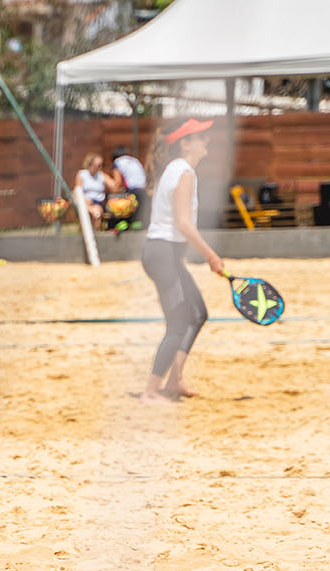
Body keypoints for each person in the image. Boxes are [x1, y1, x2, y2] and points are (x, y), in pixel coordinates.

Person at [139, 118, 224, 405]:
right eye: (200, 136)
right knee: (177, 323)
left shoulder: (177, 169)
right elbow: (183, 224)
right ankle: (150, 392)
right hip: (163, 254)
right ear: (185, 144)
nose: (206, 140)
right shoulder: (184, 172)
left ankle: (174, 380)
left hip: (167, 254)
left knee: (197, 313)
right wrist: (211, 256)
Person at [74, 152, 119, 229]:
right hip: (85, 200)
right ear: (90, 164)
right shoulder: (82, 175)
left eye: (102, 165)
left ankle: (95, 232)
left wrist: (117, 175)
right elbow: (78, 190)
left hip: (97, 201)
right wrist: (85, 199)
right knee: (92, 210)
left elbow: (113, 185)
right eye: (98, 165)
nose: (100, 167)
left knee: (97, 211)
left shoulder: (101, 175)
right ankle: (91, 211)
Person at [111, 146, 150, 228]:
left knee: (116, 201)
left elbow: (118, 182)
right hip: (143, 190)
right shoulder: (135, 160)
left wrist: (112, 193)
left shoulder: (117, 162)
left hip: (132, 191)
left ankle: (121, 224)